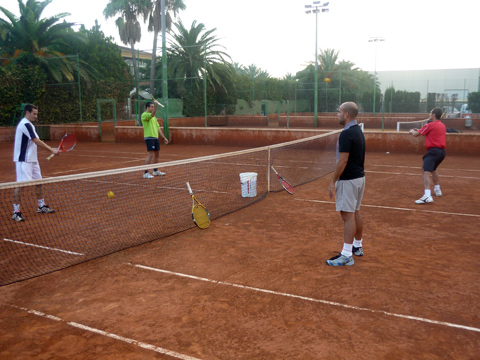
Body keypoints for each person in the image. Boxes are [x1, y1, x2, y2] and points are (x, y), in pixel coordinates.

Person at [326, 102, 366, 266]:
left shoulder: (347, 134)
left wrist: (332, 181)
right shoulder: (358, 130)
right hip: (359, 178)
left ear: (347, 115)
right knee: (355, 212)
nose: (337, 114)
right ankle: (357, 245)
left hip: (348, 180)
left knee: (347, 216)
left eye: (339, 112)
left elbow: (342, 161)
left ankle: (347, 255)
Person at [12, 104, 59, 222]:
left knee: (39, 182)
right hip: (24, 161)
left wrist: (51, 148)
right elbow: (36, 141)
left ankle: (41, 206)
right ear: (27, 113)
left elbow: (36, 141)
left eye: (36, 114)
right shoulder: (25, 124)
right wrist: (51, 150)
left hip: (32, 160)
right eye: (34, 114)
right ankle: (16, 211)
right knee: (20, 185)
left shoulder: (30, 125)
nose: (36, 116)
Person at [409, 108, 446, 204]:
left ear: (434, 115)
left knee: (425, 171)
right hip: (441, 152)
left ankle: (427, 196)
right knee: (433, 170)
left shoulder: (429, 125)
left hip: (433, 151)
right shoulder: (442, 125)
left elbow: (416, 134)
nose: (429, 114)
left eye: (430, 112)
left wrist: (411, 131)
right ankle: (437, 190)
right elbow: (429, 132)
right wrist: (420, 130)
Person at [141, 99, 169, 179]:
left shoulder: (153, 117)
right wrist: (156, 105)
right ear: (147, 107)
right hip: (149, 137)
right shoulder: (144, 115)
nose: (153, 108)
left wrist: (163, 137)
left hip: (155, 137)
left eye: (153, 106)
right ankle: (146, 173)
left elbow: (158, 128)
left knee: (157, 154)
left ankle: (155, 170)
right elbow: (152, 114)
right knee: (150, 154)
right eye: (152, 107)